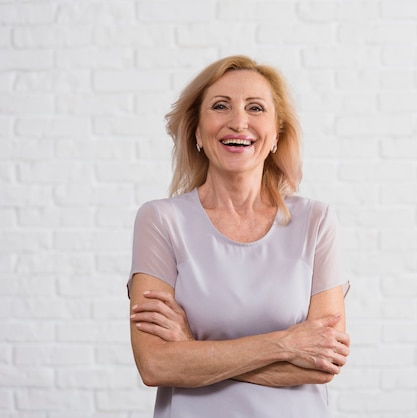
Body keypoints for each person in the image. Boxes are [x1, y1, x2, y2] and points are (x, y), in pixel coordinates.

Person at [127, 55, 350, 418]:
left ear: (277, 133)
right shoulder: (161, 221)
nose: (238, 122)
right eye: (220, 106)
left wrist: (192, 349)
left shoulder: (316, 221)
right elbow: (155, 364)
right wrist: (287, 344)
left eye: (256, 108)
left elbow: (322, 364)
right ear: (197, 131)